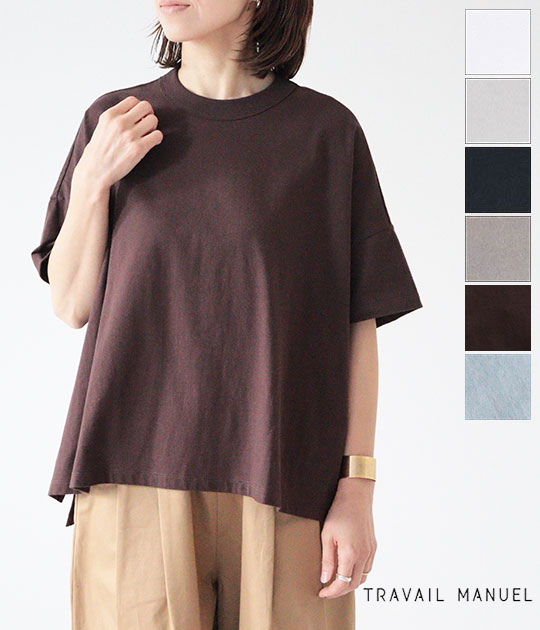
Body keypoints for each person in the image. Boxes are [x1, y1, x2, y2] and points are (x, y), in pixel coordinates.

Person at [30, 0, 423, 628]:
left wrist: (358, 486)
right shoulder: (115, 121)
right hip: (131, 473)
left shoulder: (326, 133)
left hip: (286, 477)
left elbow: (358, 324)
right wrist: (92, 181)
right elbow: (70, 304)